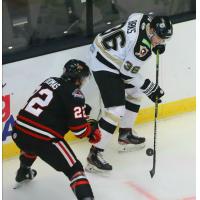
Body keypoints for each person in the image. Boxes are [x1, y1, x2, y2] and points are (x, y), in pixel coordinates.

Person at [86, 13, 173, 172]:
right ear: (151, 30)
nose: (161, 41)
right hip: (104, 64)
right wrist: (149, 87)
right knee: (116, 109)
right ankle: (94, 154)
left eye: (164, 39)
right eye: (159, 38)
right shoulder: (142, 49)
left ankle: (125, 135)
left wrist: (156, 42)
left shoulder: (143, 17)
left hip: (102, 47)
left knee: (136, 93)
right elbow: (127, 74)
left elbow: (133, 20)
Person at [11, 59, 101, 200]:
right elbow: (79, 130)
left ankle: (23, 171)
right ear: (78, 80)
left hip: (18, 132)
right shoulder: (76, 94)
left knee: (31, 143)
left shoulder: (50, 80)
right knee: (75, 169)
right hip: (43, 141)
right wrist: (91, 131)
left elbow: (51, 109)